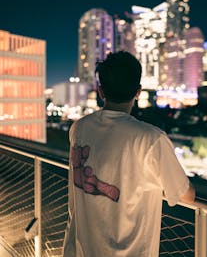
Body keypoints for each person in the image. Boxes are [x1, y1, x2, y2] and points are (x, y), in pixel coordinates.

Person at [63, 51, 195, 257]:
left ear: (101, 91)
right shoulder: (151, 139)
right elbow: (185, 195)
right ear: (138, 91)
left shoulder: (79, 128)